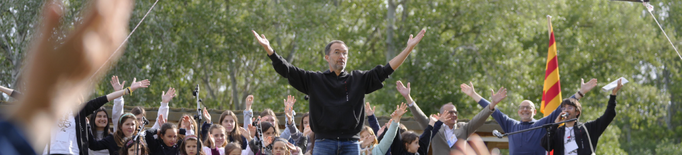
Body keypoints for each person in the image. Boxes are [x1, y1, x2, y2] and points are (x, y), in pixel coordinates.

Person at [252, 25, 426, 155]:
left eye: (345, 53)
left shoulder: (358, 79)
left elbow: (386, 70)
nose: (341, 56)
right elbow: (287, 70)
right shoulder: (314, 80)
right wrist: (269, 50)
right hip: (323, 143)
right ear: (327, 57)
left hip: (351, 144)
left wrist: (409, 48)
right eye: (337, 52)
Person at [0, 0, 134, 154]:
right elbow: (19, 96)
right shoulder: (52, 108)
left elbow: (104, 98)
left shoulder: (80, 110)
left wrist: (127, 90)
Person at [464, 79, 597, 155]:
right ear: (518, 112)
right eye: (522, 107)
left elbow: (561, 108)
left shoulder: (542, 124)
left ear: (534, 112)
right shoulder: (511, 125)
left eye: (529, 107)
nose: (525, 109)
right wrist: (473, 94)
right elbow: (493, 110)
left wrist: (581, 92)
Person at [395, 81, 507, 155]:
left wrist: (492, 104)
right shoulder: (435, 128)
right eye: (450, 112)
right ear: (442, 114)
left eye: (455, 112)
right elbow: (420, 117)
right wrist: (407, 97)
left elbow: (479, 119)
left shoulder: (463, 128)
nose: (454, 115)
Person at [541, 80, 623, 155]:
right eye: (563, 108)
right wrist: (555, 124)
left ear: (577, 112)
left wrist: (613, 94)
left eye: (569, 108)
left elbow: (609, 115)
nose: (566, 110)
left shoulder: (588, 128)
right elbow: (546, 145)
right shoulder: (557, 131)